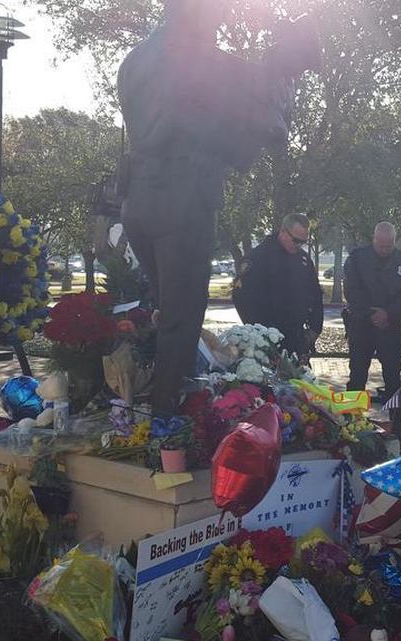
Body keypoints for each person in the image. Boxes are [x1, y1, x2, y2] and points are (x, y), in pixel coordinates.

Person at [117, 0, 318, 417]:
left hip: (138, 200)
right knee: (181, 315)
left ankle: (156, 400)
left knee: (167, 311)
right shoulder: (201, 61)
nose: (224, 18)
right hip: (184, 197)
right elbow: (263, 123)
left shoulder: (136, 59)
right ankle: (165, 424)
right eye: (218, 11)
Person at [343, 222, 401, 449]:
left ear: (395, 242)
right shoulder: (357, 258)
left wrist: (389, 313)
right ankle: (350, 423)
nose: (385, 249)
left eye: (389, 245)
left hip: (390, 327)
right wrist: (370, 313)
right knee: (356, 376)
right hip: (361, 325)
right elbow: (351, 290)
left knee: (393, 381)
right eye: (381, 244)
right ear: (373, 239)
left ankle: (397, 427)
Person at [232, 213, 323, 358]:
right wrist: (258, 332)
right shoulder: (259, 257)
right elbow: (241, 296)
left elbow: (315, 295)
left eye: (303, 241)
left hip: (297, 337)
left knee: (299, 379)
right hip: (267, 337)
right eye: (296, 240)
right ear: (283, 232)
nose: (299, 245)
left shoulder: (303, 259)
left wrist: (315, 328)